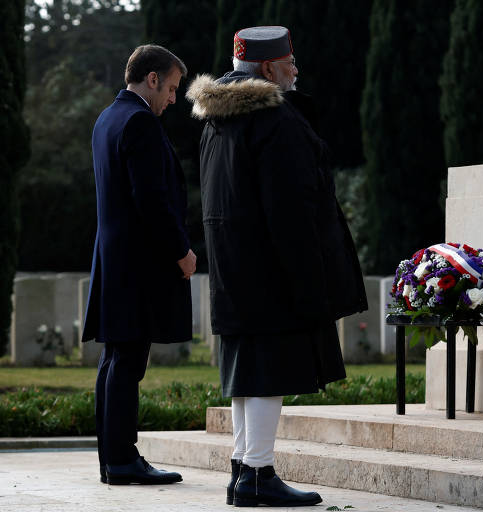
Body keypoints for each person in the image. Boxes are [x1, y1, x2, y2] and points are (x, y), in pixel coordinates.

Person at [187, 26, 367, 507]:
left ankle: (244, 468)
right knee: (268, 372)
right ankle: (259, 474)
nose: (296, 70)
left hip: (235, 269)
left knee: (247, 374)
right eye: (290, 62)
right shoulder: (274, 120)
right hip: (272, 270)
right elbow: (290, 208)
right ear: (268, 68)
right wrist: (309, 280)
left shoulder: (215, 120)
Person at [82, 44, 196, 485]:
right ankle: (125, 461)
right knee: (128, 362)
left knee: (114, 360)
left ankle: (112, 459)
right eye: (169, 88)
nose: (171, 98)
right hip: (139, 264)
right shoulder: (140, 122)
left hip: (114, 259)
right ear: (151, 79)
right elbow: (152, 201)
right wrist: (182, 252)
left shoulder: (106, 119)